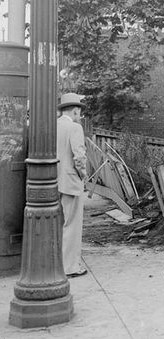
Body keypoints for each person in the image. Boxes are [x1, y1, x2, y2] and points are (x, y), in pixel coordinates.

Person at [57, 92, 88, 277]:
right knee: (72, 226)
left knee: (59, 224)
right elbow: (79, 157)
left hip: (54, 181)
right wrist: (83, 176)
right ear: (76, 111)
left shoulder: (53, 125)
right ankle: (70, 267)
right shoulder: (75, 128)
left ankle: (58, 263)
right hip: (70, 183)